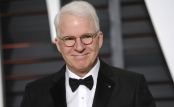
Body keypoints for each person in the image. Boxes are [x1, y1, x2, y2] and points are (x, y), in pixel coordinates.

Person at [21, 1, 156, 107]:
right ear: (58, 45)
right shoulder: (35, 93)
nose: (79, 47)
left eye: (86, 37)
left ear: (99, 39)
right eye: (69, 39)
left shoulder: (132, 86)